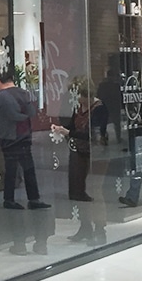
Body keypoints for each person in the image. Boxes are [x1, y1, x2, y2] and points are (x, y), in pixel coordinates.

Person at [0, 65, 50, 211]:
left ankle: (9, 199)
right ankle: (33, 198)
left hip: (8, 139)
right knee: (28, 168)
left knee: (10, 169)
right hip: (24, 137)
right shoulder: (25, 94)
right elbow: (31, 113)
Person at [51, 80, 109, 245]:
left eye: (78, 95)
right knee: (79, 191)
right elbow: (73, 127)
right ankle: (85, 227)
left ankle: (99, 230)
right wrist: (61, 129)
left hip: (96, 154)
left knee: (94, 191)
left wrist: (69, 132)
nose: (76, 99)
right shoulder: (79, 108)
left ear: (85, 95)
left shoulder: (100, 109)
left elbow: (94, 134)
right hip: (78, 153)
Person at [96, 69, 122, 144]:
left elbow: (99, 95)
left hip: (107, 106)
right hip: (112, 106)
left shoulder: (103, 85)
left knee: (106, 124)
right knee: (115, 123)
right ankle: (117, 138)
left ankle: (106, 138)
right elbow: (119, 97)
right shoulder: (115, 85)